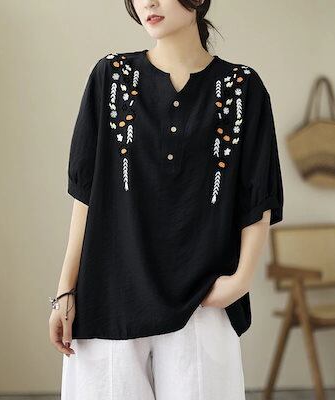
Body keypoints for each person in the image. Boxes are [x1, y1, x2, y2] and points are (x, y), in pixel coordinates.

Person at [48, 0, 284, 398]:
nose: (148, 3)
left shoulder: (243, 87)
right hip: (110, 296)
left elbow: (257, 194)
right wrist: (65, 291)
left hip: (201, 301)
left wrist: (239, 282)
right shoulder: (110, 77)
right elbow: (85, 194)